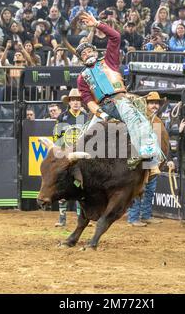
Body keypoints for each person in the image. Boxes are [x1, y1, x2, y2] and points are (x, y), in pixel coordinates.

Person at [75, 12, 162, 173]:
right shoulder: (81, 78)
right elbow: (88, 101)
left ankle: (151, 164)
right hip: (102, 108)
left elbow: (115, 37)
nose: (86, 54)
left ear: (95, 51)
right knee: (85, 137)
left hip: (120, 100)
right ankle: (77, 173)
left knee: (138, 122)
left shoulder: (109, 60)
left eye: (88, 51)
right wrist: (102, 114)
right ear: (81, 59)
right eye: (82, 54)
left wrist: (97, 24)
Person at [127, 91, 166, 226]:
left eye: (156, 103)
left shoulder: (158, 121)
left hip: (152, 158)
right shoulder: (139, 118)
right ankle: (133, 217)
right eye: (151, 103)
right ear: (146, 105)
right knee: (138, 186)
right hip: (140, 157)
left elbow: (163, 142)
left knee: (150, 187)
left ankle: (146, 214)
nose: (154, 106)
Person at [53, 88, 89, 227]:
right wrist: (62, 152)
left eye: (78, 100)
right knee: (64, 185)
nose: (75, 102)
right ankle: (62, 219)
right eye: (73, 100)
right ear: (69, 102)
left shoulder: (86, 117)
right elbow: (57, 137)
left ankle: (83, 218)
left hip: (82, 157)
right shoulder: (62, 117)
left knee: (82, 187)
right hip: (67, 156)